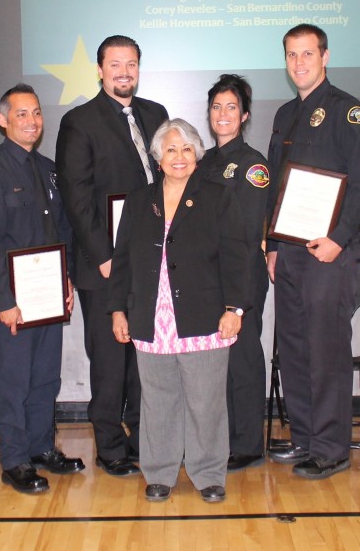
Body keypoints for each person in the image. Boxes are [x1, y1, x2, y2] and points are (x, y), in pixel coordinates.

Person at [109, 119, 248, 504]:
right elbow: (122, 261)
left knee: (206, 401)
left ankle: (208, 474)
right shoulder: (139, 201)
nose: (179, 157)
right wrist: (117, 310)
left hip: (205, 316)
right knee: (157, 400)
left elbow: (237, 257)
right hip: (151, 318)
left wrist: (234, 308)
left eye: (187, 149)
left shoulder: (218, 196)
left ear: (197, 155)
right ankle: (159, 473)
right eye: (171, 149)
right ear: (157, 157)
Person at [265, 23, 360, 479]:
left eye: (307, 54)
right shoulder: (284, 115)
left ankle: (331, 448)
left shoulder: (349, 112)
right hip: (290, 253)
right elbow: (277, 185)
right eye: (292, 55)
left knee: (326, 349)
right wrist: (273, 245)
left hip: (329, 253)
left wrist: (339, 237)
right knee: (293, 347)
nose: (299, 63)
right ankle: (306, 439)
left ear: (325, 56)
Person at [56, 35, 168, 477]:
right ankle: (110, 446)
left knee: (145, 356)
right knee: (109, 358)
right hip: (103, 265)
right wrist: (104, 256)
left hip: (149, 261)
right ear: (100, 70)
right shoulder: (79, 122)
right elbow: (76, 196)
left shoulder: (155, 115)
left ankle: (143, 437)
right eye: (115, 64)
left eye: (132, 64)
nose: (124, 72)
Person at [0, 84, 84, 494]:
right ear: (2, 121)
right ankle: (15, 459)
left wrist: (67, 279)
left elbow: (64, 232)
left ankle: (41, 447)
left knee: (45, 379)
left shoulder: (49, 169)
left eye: (36, 113)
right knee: (15, 380)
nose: (32, 121)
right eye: (21, 114)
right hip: (14, 302)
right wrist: (4, 301)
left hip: (49, 296)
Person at [200, 75, 270, 471]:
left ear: (244, 115)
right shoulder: (203, 162)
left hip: (240, 276)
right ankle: (220, 440)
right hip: (207, 277)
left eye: (231, 107)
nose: (223, 115)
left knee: (241, 358)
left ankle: (246, 443)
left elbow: (245, 236)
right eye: (216, 107)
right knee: (214, 363)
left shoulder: (252, 165)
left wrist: (238, 300)